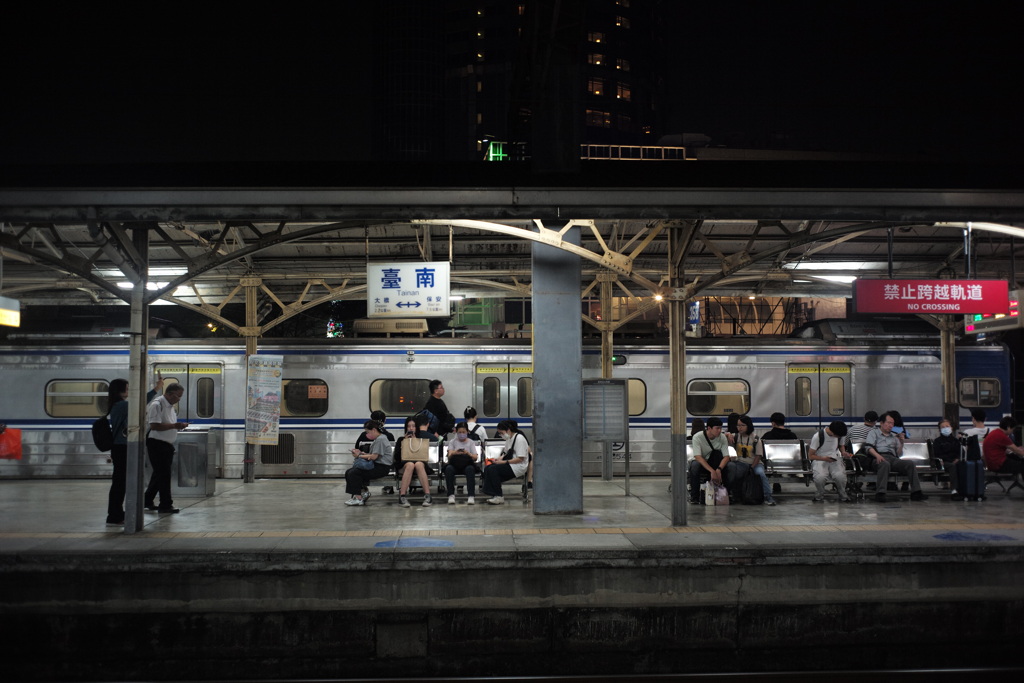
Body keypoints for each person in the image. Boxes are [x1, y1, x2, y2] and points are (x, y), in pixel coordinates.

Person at [105, 375, 163, 524]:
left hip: (120, 448)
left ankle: (116, 512)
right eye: (127, 388)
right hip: (121, 448)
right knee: (120, 483)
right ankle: (114, 515)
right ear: (121, 390)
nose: (129, 390)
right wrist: (156, 389)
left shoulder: (117, 405)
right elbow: (140, 402)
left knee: (120, 482)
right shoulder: (122, 406)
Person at [144, 383, 188, 513]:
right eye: (178, 395)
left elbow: (168, 423)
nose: (179, 398)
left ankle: (147, 500)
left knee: (158, 475)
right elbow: (154, 426)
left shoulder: (170, 407)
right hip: (156, 443)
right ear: (170, 393)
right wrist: (175, 426)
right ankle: (165, 505)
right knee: (164, 476)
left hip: (166, 445)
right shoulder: (157, 405)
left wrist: (177, 426)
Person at [865, 411, 927, 502]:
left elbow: (898, 453)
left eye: (892, 423)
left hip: (893, 458)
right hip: (878, 456)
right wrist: (877, 456)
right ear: (882, 423)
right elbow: (868, 447)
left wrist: (901, 443)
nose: (891, 425)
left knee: (910, 464)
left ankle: (916, 492)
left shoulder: (894, 436)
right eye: (889, 423)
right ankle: (880, 493)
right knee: (884, 464)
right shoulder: (873, 433)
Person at [344, 420, 394, 506]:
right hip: (376, 465)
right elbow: (373, 455)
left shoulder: (381, 439)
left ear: (374, 430)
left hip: (381, 467)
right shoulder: (378, 439)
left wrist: (358, 456)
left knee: (354, 473)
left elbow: (374, 457)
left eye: (368, 432)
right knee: (349, 472)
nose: (367, 434)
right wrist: (363, 453)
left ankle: (359, 498)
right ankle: (362, 493)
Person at [729, 414, 776, 505]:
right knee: (735, 473)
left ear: (748, 426)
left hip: (755, 463)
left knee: (760, 474)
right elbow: (723, 435)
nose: (740, 428)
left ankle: (768, 497)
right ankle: (736, 495)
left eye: (742, 425)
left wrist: (752, 467)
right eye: (738, 425)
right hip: (741, 462)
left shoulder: (755, 439)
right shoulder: (736, 437)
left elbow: (758, 456)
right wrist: (727, 434)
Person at [482, 419, 529, 505]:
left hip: (518, 466)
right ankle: (493, 493)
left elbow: (521, 458)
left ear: (508, 430)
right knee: (488, 468)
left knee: (493, 470)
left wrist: (504, 462)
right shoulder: (509, 439)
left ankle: (499, 496)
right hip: (511, 464)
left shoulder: (519, 439)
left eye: (501, 433)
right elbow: (506, 452)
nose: (501, 435)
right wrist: (499, 459)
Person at [687, 417, 733, 504]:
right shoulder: (698, 437)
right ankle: (695, 496)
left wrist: (719, 469)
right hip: (703, 463)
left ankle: (728, 494)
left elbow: (726, 457)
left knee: (731, 466)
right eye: (717, 428)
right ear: (709, 428)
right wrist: (712, 471)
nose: (720, 431)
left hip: (717, 463)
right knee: (694, 465)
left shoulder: (722, 437)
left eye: (721, 428)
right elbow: (698, 456)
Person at [808, 421, 854, 503]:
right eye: (837, 436)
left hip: (834, 458)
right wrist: (824, 458)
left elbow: (841, 445)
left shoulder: (840, 435)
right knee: (820, 477)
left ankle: (843, 494)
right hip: (819, 458)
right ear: (833, 433)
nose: (838, 438)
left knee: (840, 476)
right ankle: (819, 495)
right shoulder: (818, 436)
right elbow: (811, 456)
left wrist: (843, 452)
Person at [395, 414, 434, 508]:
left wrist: (415, 441)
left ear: (417, 427)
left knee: (419, 464)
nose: (411, 428)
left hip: (419, 462)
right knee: (410, 465)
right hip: (404, 464)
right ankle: (402, 496)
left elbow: (424, 455)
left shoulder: (421, 440)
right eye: (409, 426)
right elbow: (397, 457)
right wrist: (404, 442)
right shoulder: (401, 440)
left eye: (413, 426)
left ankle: (428, 495)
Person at [444, 421, 480, 505]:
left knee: (470, 469)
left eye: (463, 432)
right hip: (455, 464)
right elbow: (449, 456)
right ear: (456, 432)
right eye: (459, 432)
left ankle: (471, 495)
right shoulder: (452, 442)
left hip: (466, 464)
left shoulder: (471, 442)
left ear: (467, 432)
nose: (461, 434)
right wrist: (454, 452)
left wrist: (468, 453)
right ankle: (451, 495)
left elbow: (475, 457)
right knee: (449, 469)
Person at [982, 416, 1024, 482]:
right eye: (1012, 429)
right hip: (998, 465)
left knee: (1016, 458)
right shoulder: (1002, 436)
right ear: (1008, 427)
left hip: (991, 463)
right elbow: (1017, 451)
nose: (1012, 432)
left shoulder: (995, 432)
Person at [931, 418, 961, 493]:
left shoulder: (955, 440)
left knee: (963, 464)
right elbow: (937, 454)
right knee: (952, 466)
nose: (945, 429)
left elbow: (960, 452)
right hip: (944, 462)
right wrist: (949, 460)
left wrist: (957, 458)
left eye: (947, 426)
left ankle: (965, 487)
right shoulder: (937, 441)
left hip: (955, 461)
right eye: (943, 427)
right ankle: (954, 489)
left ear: (951, 428)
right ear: (940, 430)